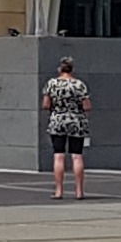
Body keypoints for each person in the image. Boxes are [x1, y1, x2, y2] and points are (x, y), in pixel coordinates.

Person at [43, 56, 92, 200]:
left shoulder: (52, 84)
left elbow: (46, 104)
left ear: (60, 69)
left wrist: (57, 107)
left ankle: (59, 190)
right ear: (72, 69)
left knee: (58, 155)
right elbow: (87, 106)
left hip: (57, 120)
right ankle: (79, 191)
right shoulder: (79, 85)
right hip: (77, 121)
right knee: (77, 156)